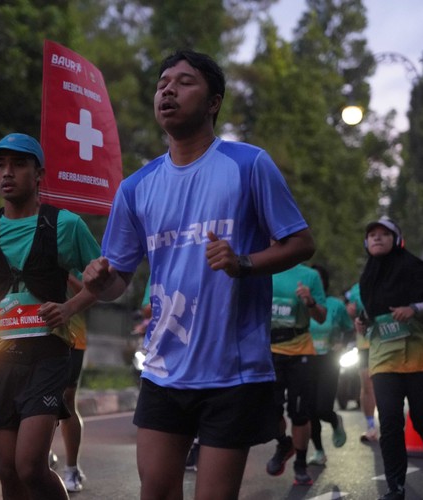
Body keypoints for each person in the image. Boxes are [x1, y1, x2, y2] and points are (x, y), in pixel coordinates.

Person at [82, 49, 315, 499]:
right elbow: (117, 282)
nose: (168, 90)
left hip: (232, 372)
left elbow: (301, 243)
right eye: (162, 83)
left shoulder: (248, 165)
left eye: (184, 82)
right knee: (155, 492)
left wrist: (243, 263)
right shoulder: (135, 188)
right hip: (163, 368)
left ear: (213, 102)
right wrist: (98, 281)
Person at [0, 133, 100, 500]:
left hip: (47, 357)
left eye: (19, 164)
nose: (7, 172)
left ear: (39, 175)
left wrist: (69, 307)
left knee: (30, 466)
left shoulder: (66, 225)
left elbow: (105, 282)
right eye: (1, 165)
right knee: (8, 470)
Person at [356, 217, 423, 500]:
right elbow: (372, 313)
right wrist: (363, 322)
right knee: (389, 423)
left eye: (384, 234)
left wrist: (415, 309)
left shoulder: (417, 269)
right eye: (372, 234)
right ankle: (395, 487)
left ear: (396, 240)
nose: (376, 238)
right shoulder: (367, 278)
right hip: (384, 360)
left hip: (419, 359)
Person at [267, 263, 327, 485]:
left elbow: (321, 316)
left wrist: (310, 302)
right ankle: (284, 443)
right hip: (268, 351)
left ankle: (300, 464)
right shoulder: (263, 268)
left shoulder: (310, 276)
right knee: (267, 409)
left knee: (299, 412)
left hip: (300, 350)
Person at [308, 264, 353, 466]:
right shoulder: (301, 303)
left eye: (318, 279)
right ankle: (319, 451)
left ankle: (334, 420)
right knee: (309, 411)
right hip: (305, 360)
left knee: (322, 409)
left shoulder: (335, 305)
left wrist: (342, 344)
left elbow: (349, 329)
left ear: (324, 282)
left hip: (328, 361)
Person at [59, 273, 88, 492]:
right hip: (34, 332)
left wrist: (65, 272)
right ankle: (39, 456)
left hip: (72, 335)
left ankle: (71, 468)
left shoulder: (72, 252)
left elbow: (92, 292)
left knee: (67, 399)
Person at [346, 282, 378, 442]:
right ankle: (371, 426)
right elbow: (351, 312)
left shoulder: (391, 279)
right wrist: (351, 312)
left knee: (386, 385)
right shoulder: (356, 288)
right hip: (364, 344)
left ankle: (391, 426)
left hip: (386, 341)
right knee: (366, 385)